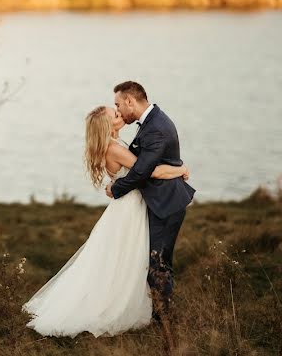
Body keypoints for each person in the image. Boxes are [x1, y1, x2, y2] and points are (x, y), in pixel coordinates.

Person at [22, 104, 189, 337]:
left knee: (124, 257)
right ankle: (111, 306)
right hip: (130, 208)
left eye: (118, 111)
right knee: (124, 258)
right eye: (115, 115)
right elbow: (149, 172)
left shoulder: (116, 144)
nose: (120, 115)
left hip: (129, 205)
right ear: (107, 125)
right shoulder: (114, 149)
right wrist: (179, 169)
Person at [106, 80, 195, 334]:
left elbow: (143, 171)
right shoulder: (153, 120)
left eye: (118, 104)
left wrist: (115, 190)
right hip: (160, 201)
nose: (119, 110)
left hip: (166, 204)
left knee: (158, 264)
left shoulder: (155, 127)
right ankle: (161, 317)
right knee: (157, 262)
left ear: (130, 101)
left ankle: (165, 322)